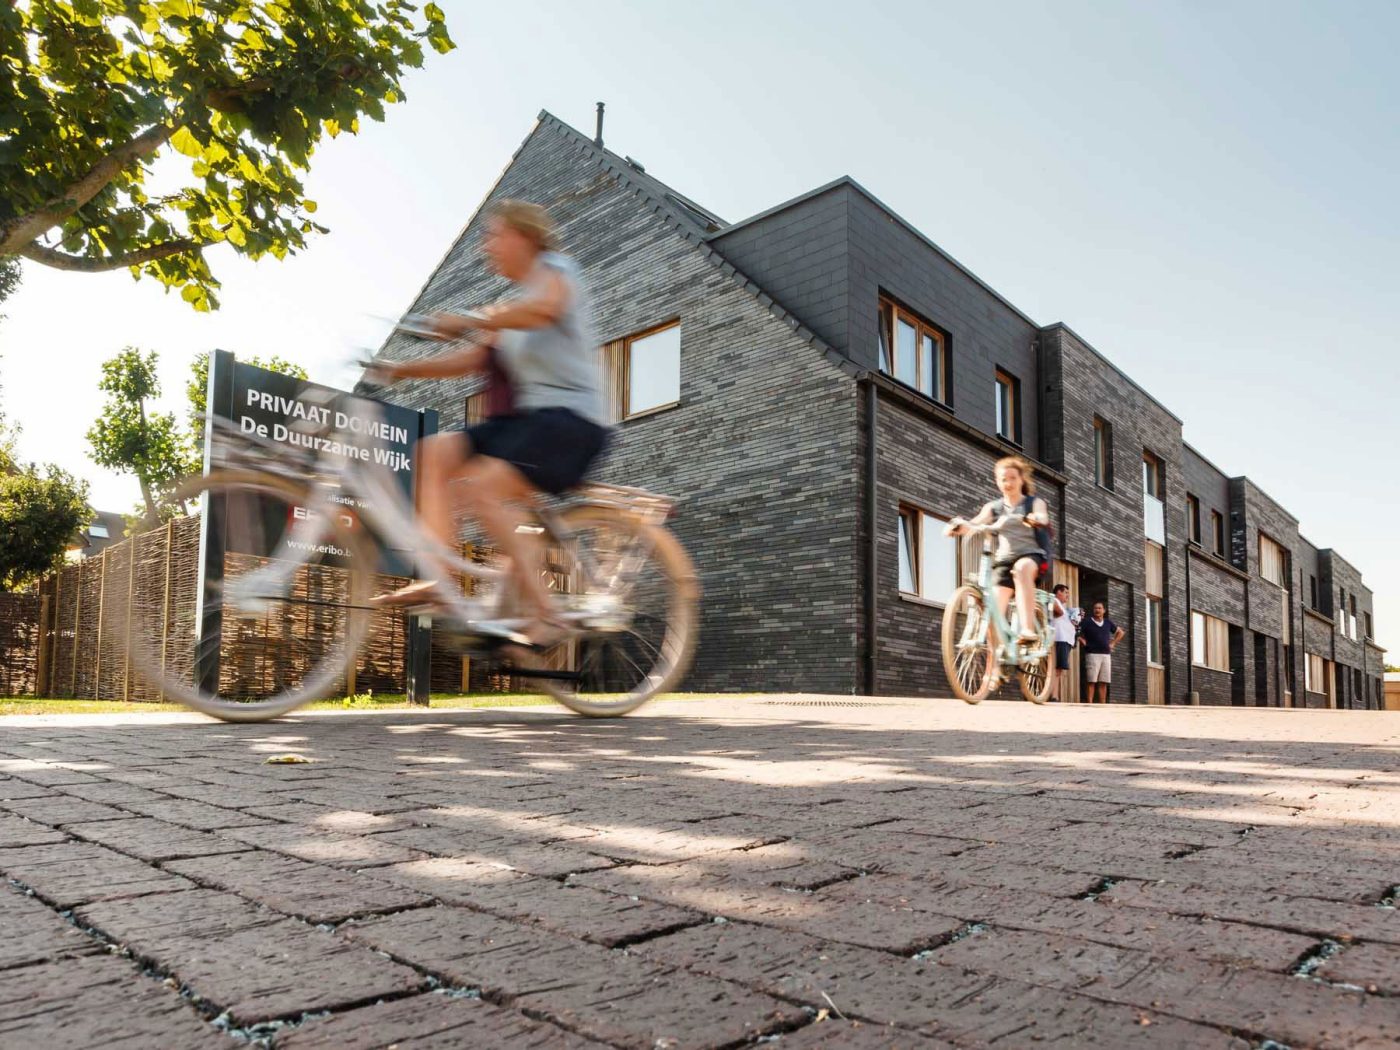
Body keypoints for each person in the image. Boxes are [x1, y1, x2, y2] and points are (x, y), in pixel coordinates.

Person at [366, 200, 610, 651]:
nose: (487, 246)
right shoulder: (511, 309)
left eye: (495, 234)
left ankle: (547, 615)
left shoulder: (556, 270)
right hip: (532, 420)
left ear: (526, 236)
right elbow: (474, 358)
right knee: (433, 452)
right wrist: (400, 370)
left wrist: (473, 318)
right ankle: (442, 579)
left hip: (573, 421)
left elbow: (547, 309)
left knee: (481, 487)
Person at [945, 455, 1051, 645]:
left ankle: (1027, 629)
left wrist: (1036, 518)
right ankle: (992, 672)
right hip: (1003, 560)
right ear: (997, 481)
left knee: (1021, 569)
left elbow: (1042, 516)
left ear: (1021, 479)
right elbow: (974, 523)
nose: (1008, 483)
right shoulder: (993, 507)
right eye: (1003, 479)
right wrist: (957, 526)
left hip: (1031, 555)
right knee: (994, 609)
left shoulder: (1033, 503)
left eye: (1012, 478)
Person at [1078, 600, 1125, 702]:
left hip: (1106, 655)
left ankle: (1102, 705)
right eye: (1095, 608)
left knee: (1104, 682)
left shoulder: (1108, 622)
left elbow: (1120, 633)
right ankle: (1089, 704)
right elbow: (1075, 631)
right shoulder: (1087, 621)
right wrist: (1082, 640)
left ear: (1104, 610)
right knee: (1091, 681)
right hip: (1092, 654)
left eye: (1099, 608)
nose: (1097, 610)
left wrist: (1113, 643)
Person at [1050, 583, 1078, 701]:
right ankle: (1053, 696)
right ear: (1058, 592)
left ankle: (1055, 695)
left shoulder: (1065, 609)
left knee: (1059, 670)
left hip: (1065, 641)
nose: (1067, 595)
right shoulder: (1054, 601)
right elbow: (1055, 611)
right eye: (1066, 592)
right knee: (1056, 669)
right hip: (1059, 639)